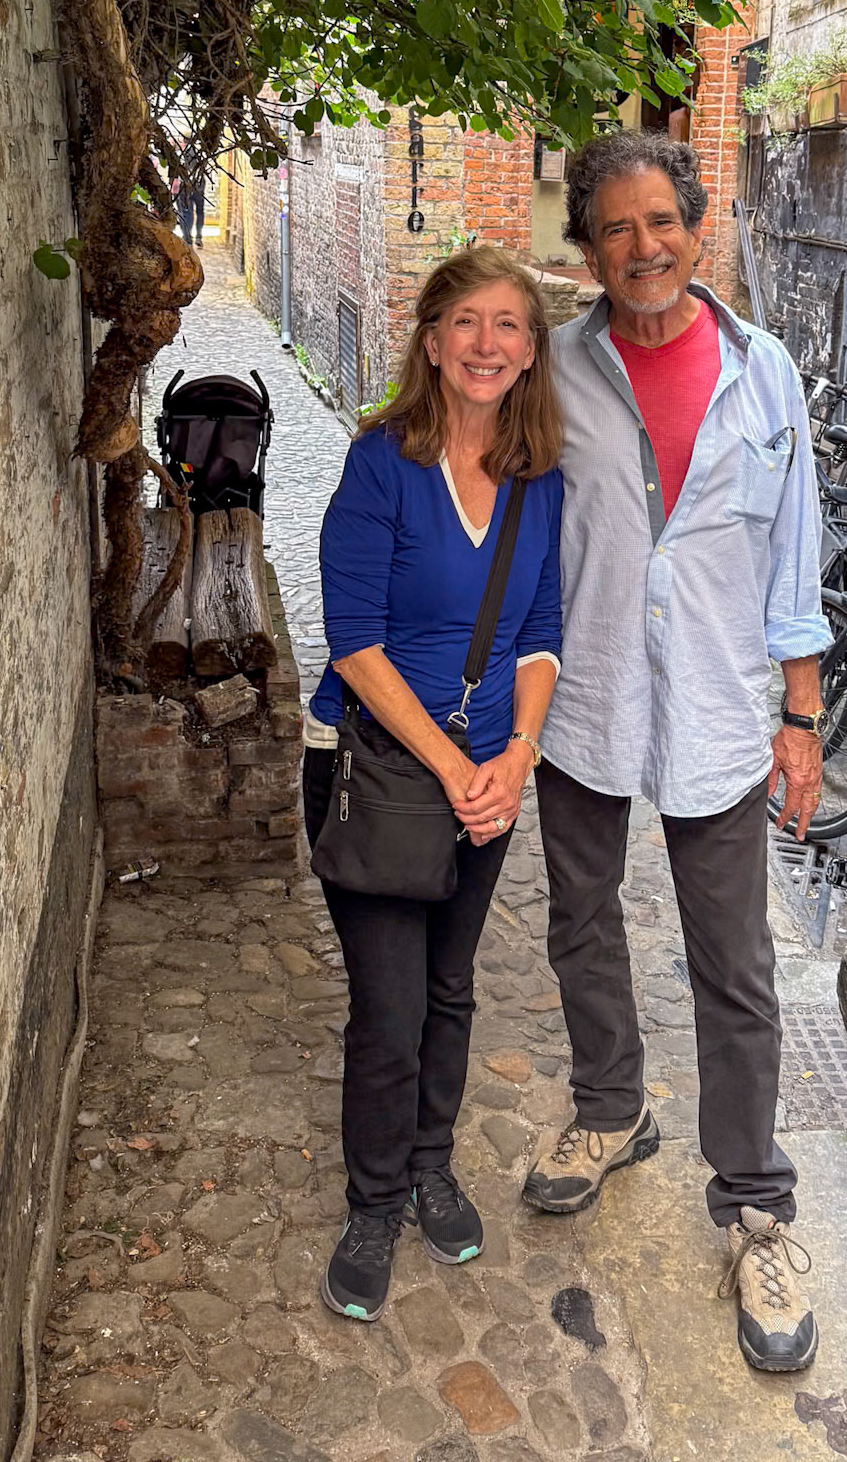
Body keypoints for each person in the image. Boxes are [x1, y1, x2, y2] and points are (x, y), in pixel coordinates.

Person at [521, 132, 831, 1374]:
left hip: (713, 707)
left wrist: (801, 720)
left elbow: (793, 560)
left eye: (663, 222)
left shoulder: (767, 377)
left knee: (735, 961)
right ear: (586, 249)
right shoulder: (554, 369)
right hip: (583, 695)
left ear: (699, 228)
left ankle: (756, 1203)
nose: (643, 247)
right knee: (582, 919)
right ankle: (611, 1108)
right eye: (615, 228)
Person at [303, 246, 564, 1322]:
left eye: (509, 324)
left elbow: (541, 632)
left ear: (532, 349)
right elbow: (353, 639)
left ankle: (428, 1165)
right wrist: (460, 763)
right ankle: (373, 1201)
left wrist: (519, 756)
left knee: (451, 987)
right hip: (373, 771)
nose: (486, 344)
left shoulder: (541, 480)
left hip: (485, 787)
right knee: (391, 1003)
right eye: (467, 322)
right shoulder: (382, 464)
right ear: (431, 338)